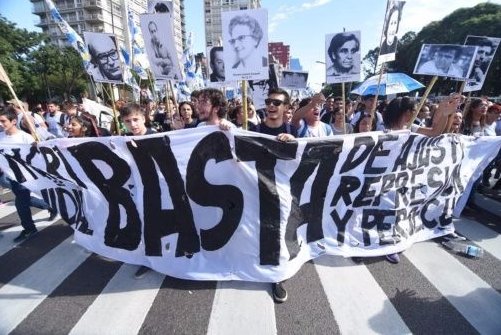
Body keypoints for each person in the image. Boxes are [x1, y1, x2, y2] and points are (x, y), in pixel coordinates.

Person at [248, 87, 296, 303]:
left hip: (280, 195)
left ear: (286, 108)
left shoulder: (293, 131)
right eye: (268, 101)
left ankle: (276, 276)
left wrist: (295, 142)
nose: (271, 106)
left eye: (277, 103)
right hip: (253, 192)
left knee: (276, 234)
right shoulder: (253, 130)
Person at [0, 107, 57, 243]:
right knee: (23, 199)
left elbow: (36, 157)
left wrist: (37, 147)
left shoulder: (25, 137)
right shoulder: (0, 137)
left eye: (3, 121)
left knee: (20, 202)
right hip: (8, 175)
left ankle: (29, 228)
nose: (0, 124)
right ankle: (49, 206)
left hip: (24, 175)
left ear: (14, 121)